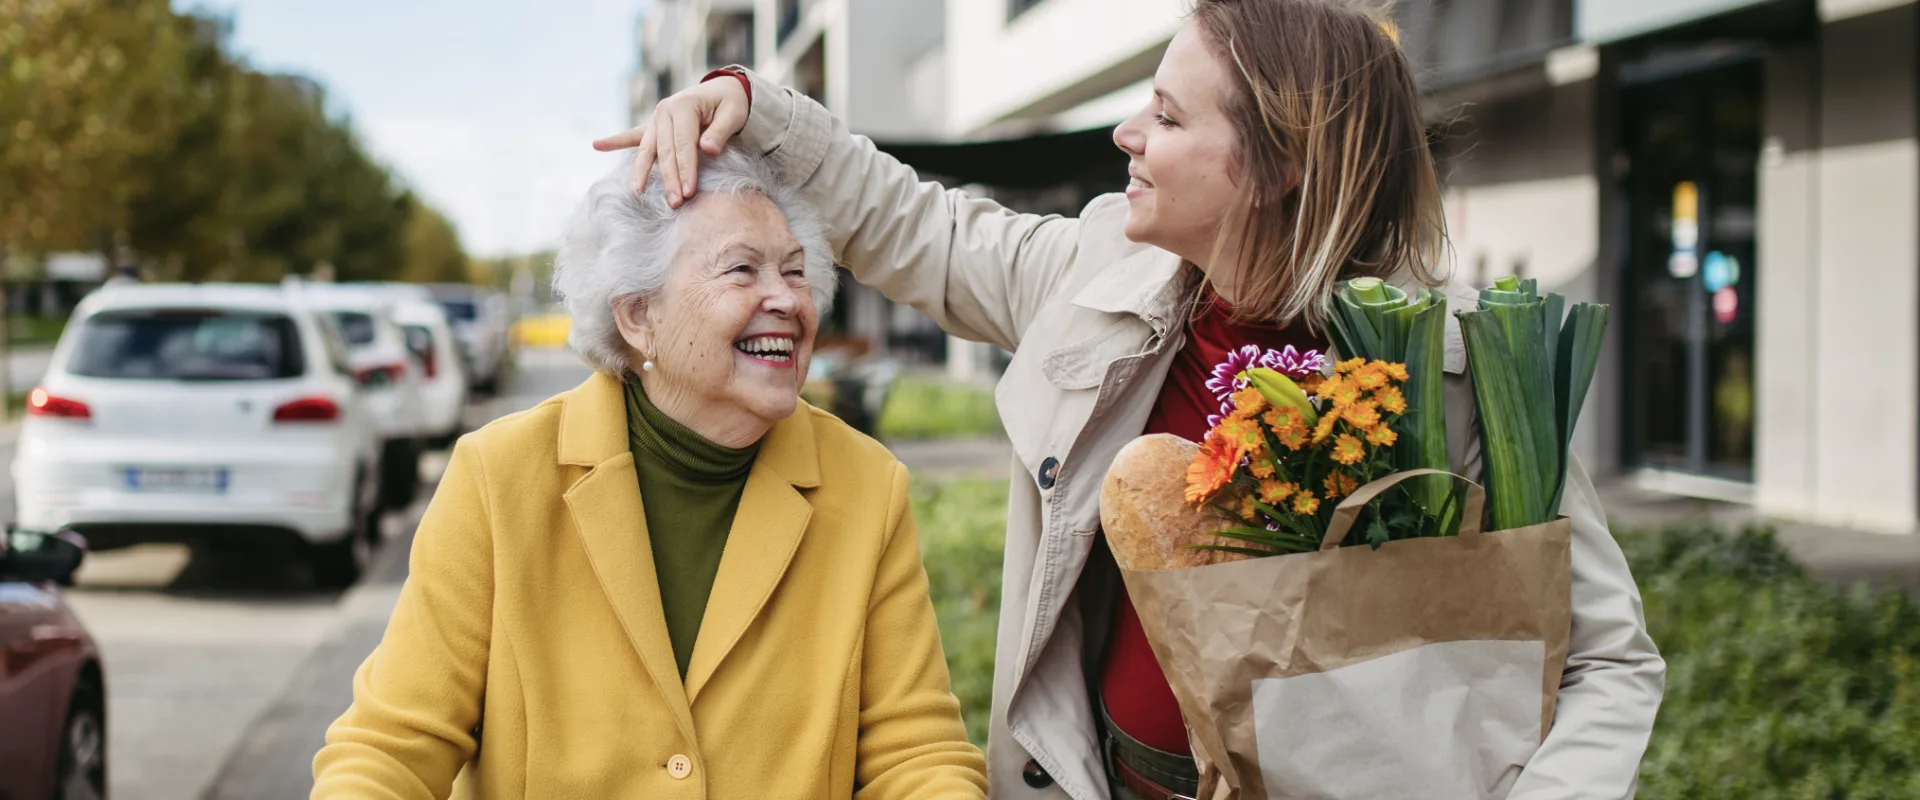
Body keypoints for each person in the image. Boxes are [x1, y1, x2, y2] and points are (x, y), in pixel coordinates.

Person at [601, 2, 1667, 799]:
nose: (1127, 136)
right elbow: (914, 224)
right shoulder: (1093, 275)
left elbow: (1607, 661)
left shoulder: (1463, 369)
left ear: (1277, 164)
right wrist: (751, 105)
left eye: (1165, 114)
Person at [311, 149, 987, 800]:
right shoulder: (500, 476)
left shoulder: (866, 485)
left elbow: (914, 753)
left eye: (795, 270)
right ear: (637, 316)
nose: (785, 298)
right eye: (743, 270)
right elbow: (391, 746)